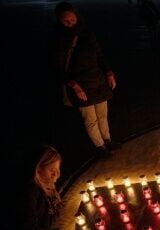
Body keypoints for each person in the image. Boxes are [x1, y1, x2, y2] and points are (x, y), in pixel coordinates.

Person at [50, 1, 121, 158]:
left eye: (72, 20)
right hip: (80, 86)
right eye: (65, 21)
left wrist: (109, 72)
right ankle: (100, 147)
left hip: (98, 80)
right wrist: (74, 85)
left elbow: (99, 55)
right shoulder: (58, 39)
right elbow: (57, 69)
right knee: (91, 119)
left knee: (102, 114)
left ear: (77, 16)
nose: (70, 24)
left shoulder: (86, 33)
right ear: (59, 21)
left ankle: (108, 140)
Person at [18, 145, 76, 230]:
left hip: (36, 229)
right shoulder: (29, 194)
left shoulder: (46, 186)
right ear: (37, 169)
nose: (56, 174)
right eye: (51, 170)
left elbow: (51, 214)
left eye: (58, 169)